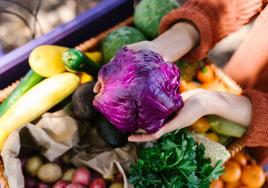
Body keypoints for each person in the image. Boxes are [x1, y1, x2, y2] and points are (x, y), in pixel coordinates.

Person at [127, 0, 268, 164]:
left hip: (260, 131)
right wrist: (167, 45)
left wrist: (212, 102)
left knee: (247, 161)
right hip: (240, 77)